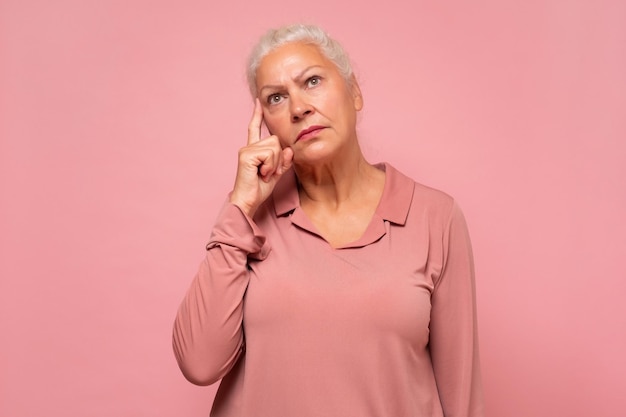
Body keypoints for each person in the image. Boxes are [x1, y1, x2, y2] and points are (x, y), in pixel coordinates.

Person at [173, 23, 484, 417]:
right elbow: (199, 364)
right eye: (276, 98)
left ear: (355, 92)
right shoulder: (249, 221)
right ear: (266, 126)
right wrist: (240, 206)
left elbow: (463, 399)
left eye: (313, 81)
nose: (299, 107)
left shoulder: (435, 218)